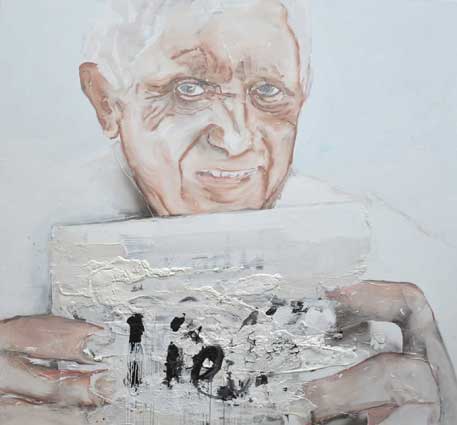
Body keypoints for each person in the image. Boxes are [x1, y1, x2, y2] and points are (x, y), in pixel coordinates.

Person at [1, 1, 456, 424]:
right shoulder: (16, 238)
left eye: (268, 91)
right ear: (107, 101)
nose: (236, 140)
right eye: (188, 89)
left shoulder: (404, 258)